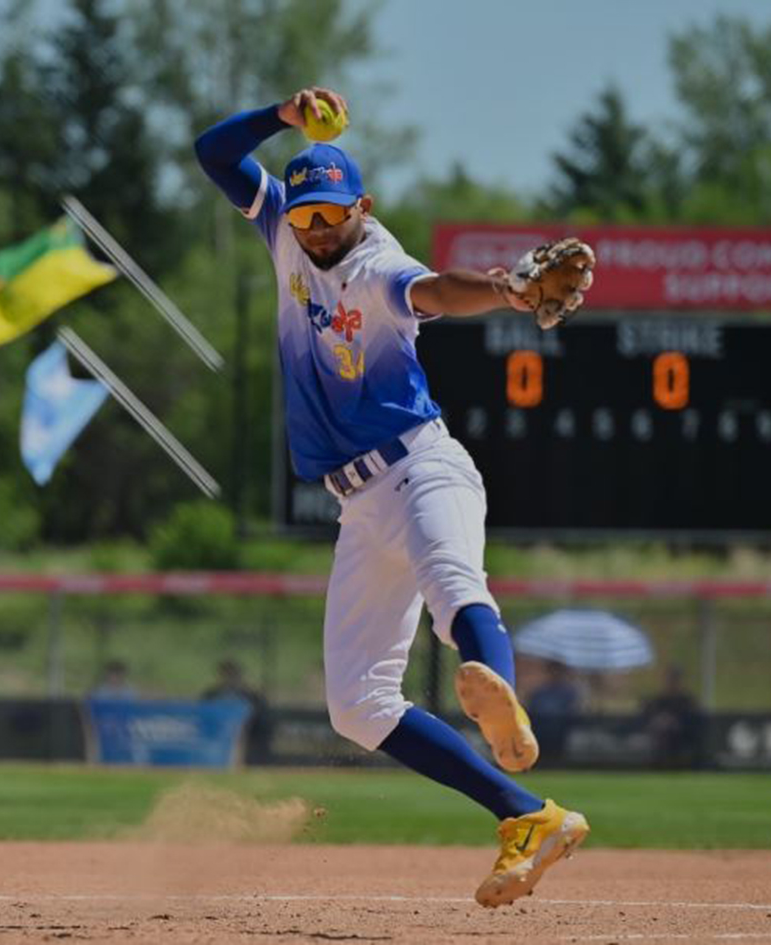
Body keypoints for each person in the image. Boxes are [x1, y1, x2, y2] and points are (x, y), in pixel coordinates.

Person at [195, 87, 592, 907]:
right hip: (359, 506)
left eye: (331, 214)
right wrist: (281, 115)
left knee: (456, 589)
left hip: (420, 468)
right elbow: (212, 155)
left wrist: (508, 291)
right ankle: (528, 815)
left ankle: (500, 700)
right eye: (305, 214)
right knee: (357, 703)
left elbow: (439, 292)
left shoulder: (377, 263)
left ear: (362, 207)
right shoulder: (285, 235)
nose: (316, 228)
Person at [639, 665, 701, 767]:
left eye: (674, 678)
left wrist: (676, 722)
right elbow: (649, 714)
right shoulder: (659, 699)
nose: (671, 682)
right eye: (670, 678)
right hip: (661, 734)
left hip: (682, 734)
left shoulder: (686, 699)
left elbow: (694, 718)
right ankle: (661, 761)